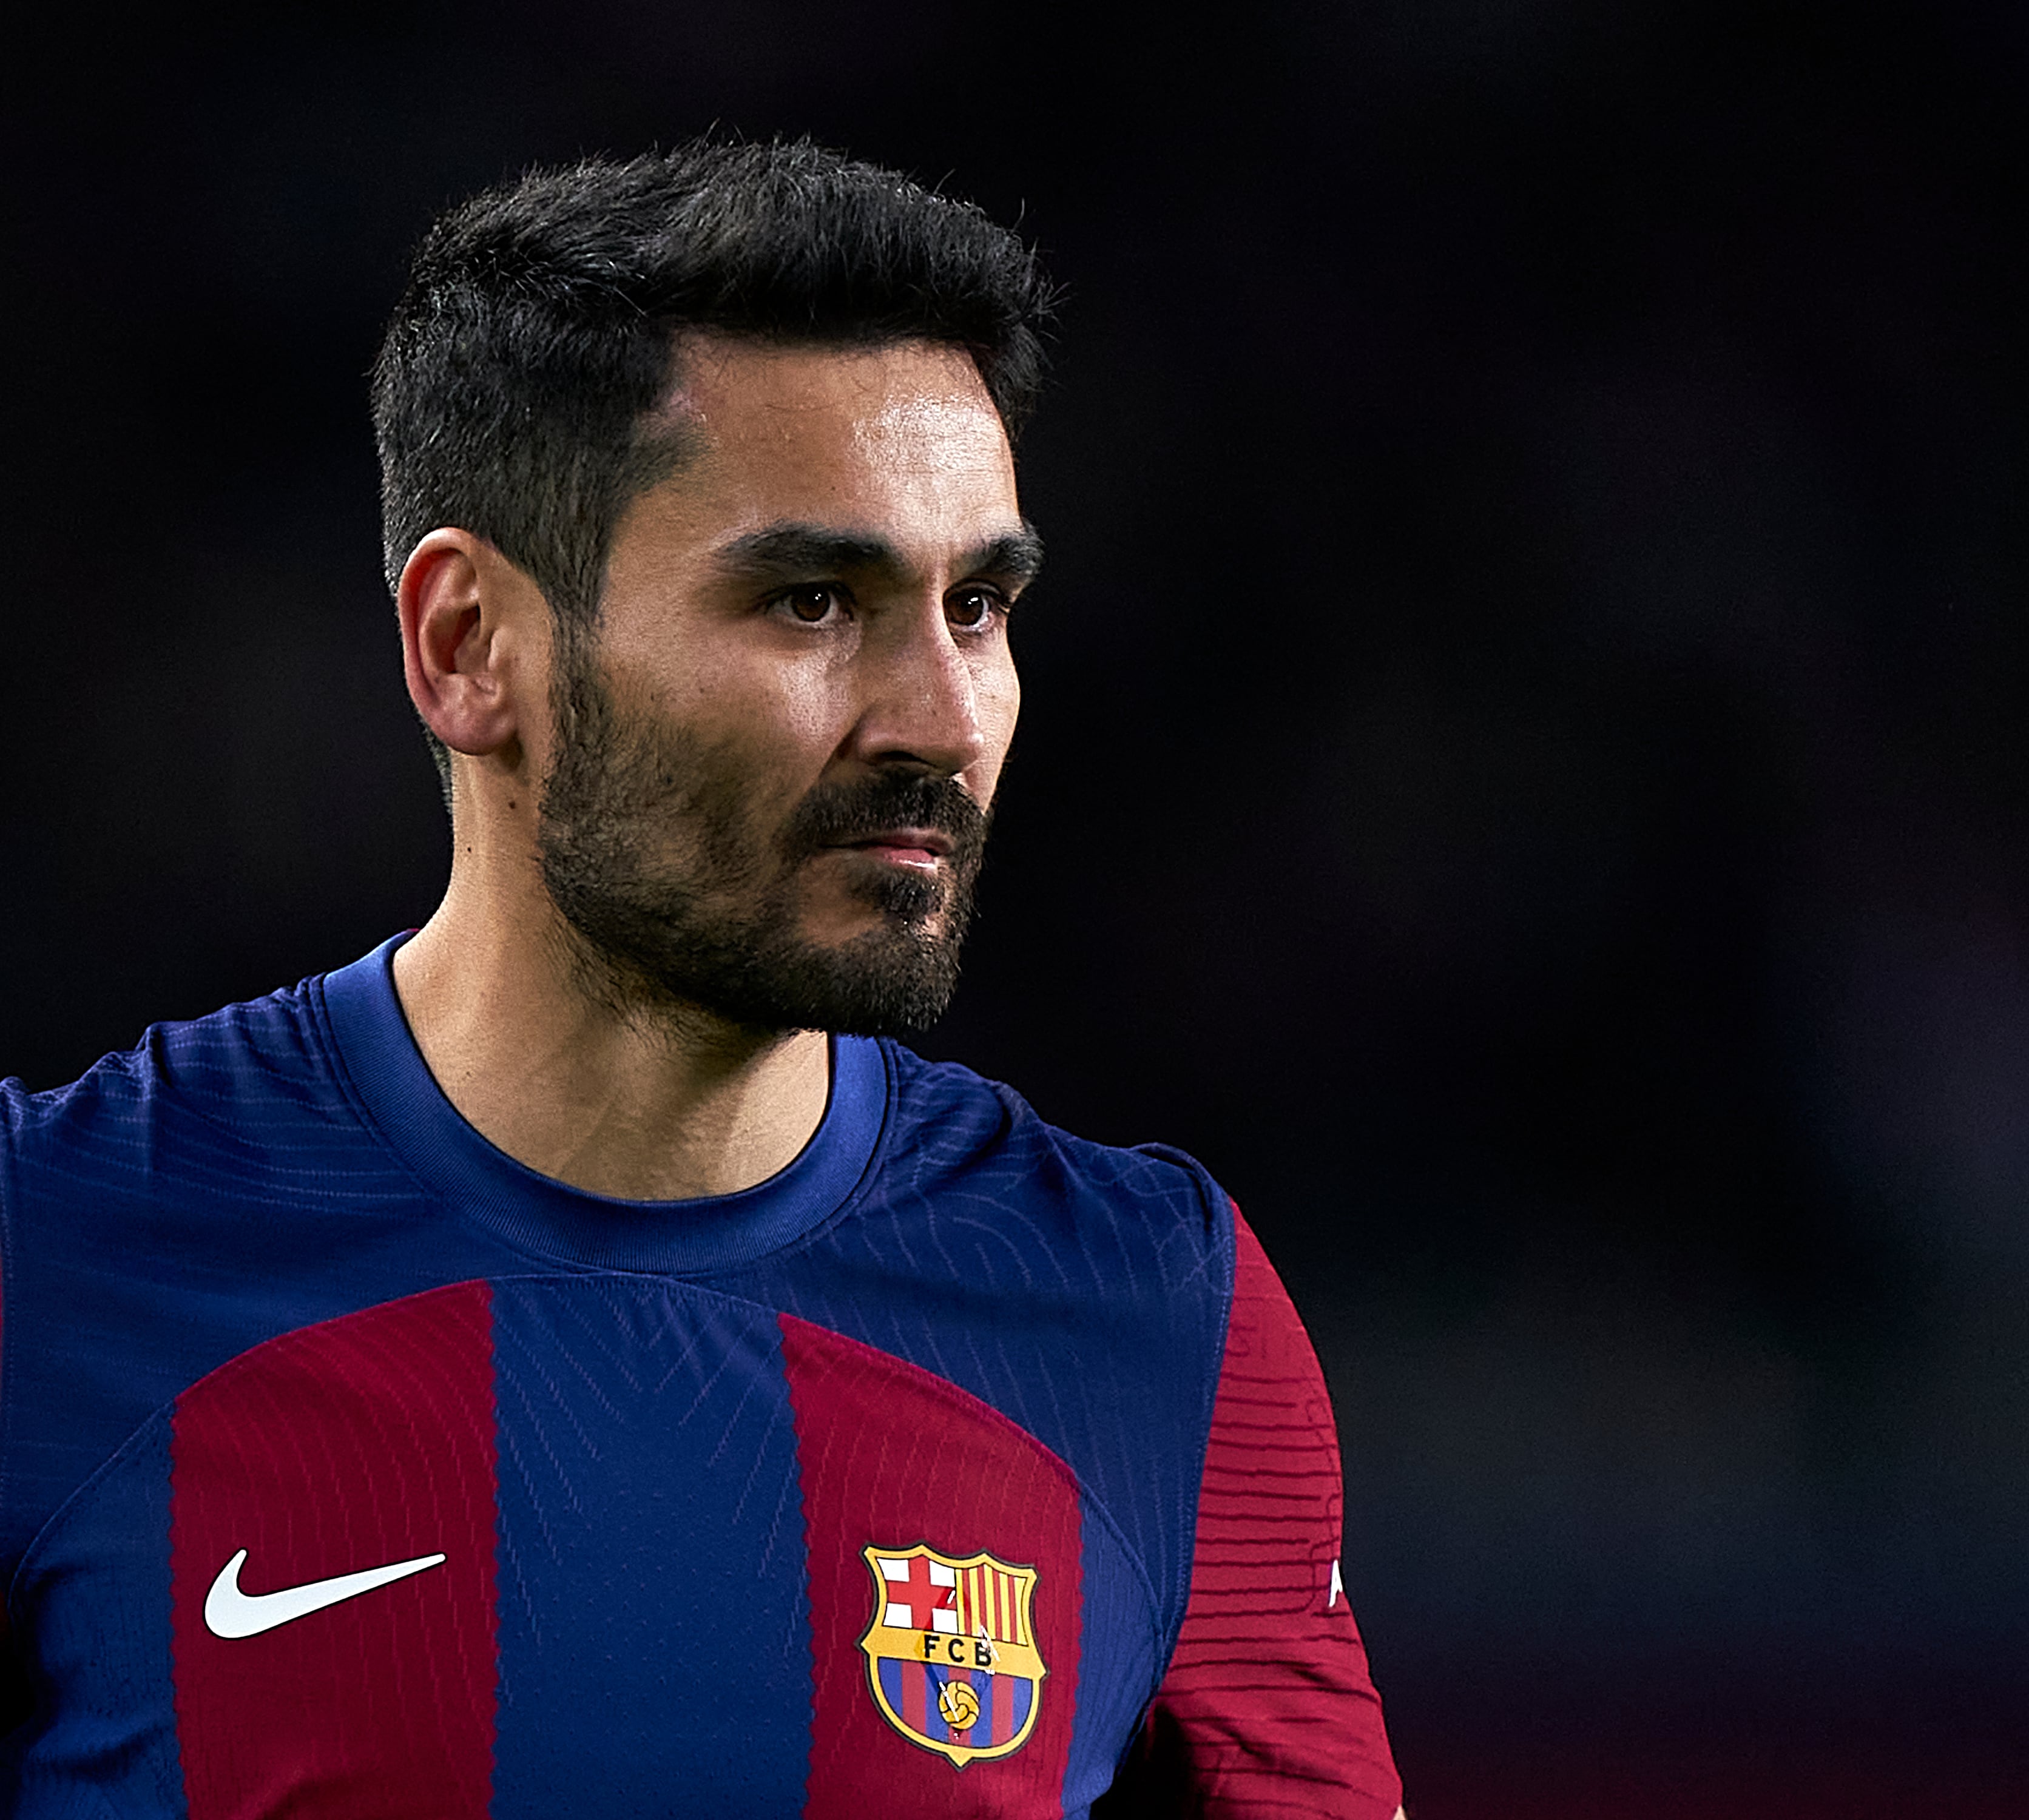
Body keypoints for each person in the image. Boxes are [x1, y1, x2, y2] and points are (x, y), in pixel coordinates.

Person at [0, 139, 1404, 1820]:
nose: (939, 721)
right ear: (467, 648)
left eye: (976, 606)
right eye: (811, 600)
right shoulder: (45, 1266)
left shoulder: (1158, 1315)